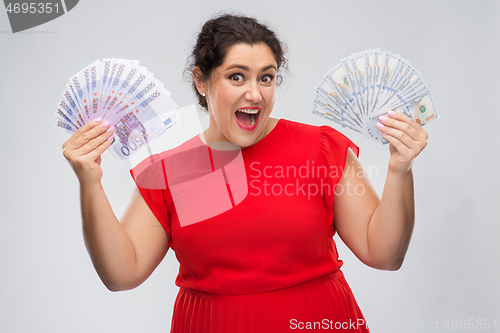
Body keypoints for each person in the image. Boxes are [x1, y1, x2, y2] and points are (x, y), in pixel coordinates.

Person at [62, 14, 429, 333]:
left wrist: (399, 169)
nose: (255, 93)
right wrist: (89, 182)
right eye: (237, 77)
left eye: (266, 78)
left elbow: (385, 254)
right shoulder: (174, 168)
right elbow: (121, 274)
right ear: (202, 82)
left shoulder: (319, 149)